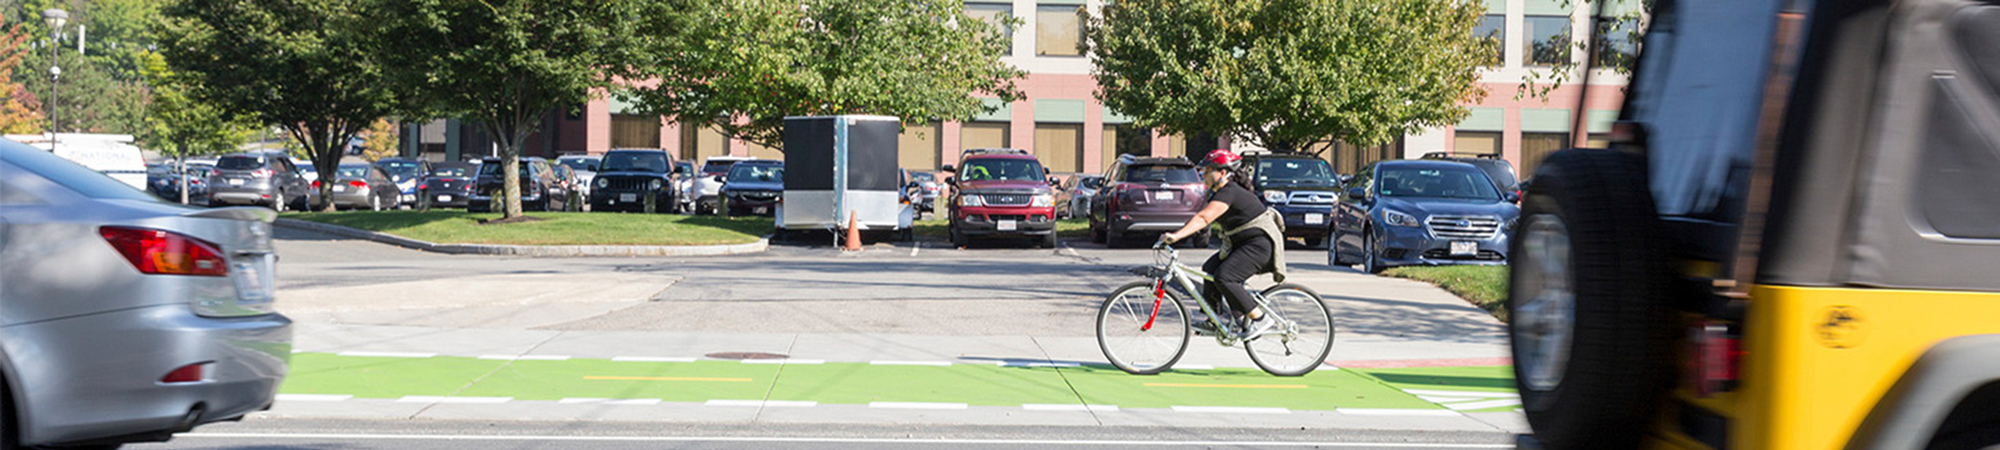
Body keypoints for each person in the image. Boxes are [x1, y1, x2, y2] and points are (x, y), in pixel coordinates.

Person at [1160, 149, 1289, 336]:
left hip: (1259, 245)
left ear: (1222, 173)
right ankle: (1215, 320)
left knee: (1225, 276)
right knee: (1211, 268)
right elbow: (1201, 219)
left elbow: (1204, 218)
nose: (1203, 174)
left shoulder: (1229, 192)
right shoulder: (1222, 193)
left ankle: (1260, 318)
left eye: (1207, 170)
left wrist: (1176, 236)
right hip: (1244, 244)